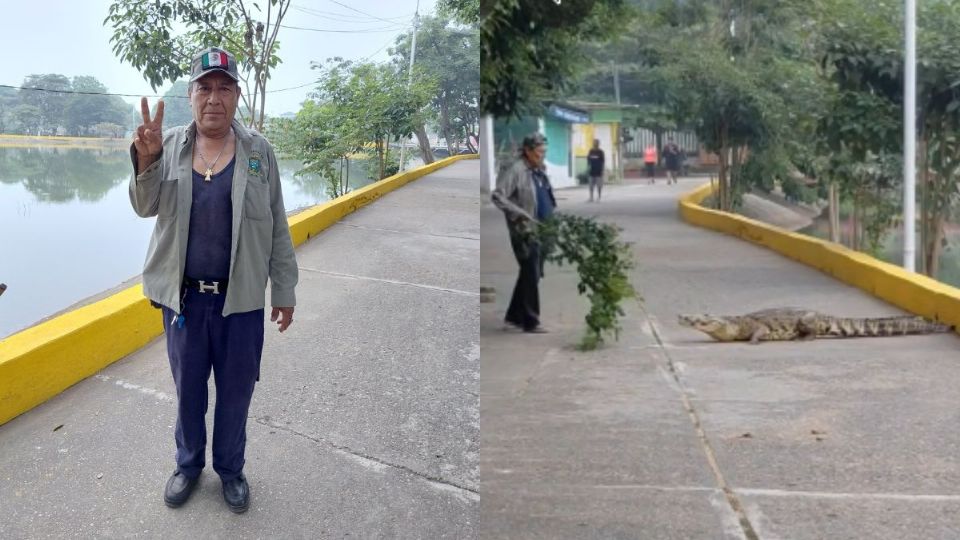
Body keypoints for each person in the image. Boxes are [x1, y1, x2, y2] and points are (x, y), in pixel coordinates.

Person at [128, 46, 298, 514]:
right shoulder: (171, 146)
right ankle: (187, 466)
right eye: (205, 88)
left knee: (236, 392)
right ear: (190, 95)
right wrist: (145, 162)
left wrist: (284, 291)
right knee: (189, 392)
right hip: (184, 302)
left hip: (239, 301)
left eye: (225, 88)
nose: (214, 98)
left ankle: (230, 469)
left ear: (238, 96)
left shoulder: (259, 152)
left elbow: (278, 225)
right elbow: (145, 207)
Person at [491, 133, 555, 334]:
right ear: (528, 151)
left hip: (542, 228)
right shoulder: (516, 170)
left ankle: (513, 316)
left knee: (532, 274)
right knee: (531, 271)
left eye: (544, 152)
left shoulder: (538, 168)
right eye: (539, 152)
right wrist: (519, 215)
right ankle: (530, 321)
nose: (542, 155)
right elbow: (498, 196)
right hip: (524, 231)